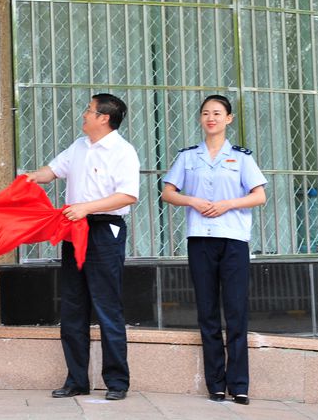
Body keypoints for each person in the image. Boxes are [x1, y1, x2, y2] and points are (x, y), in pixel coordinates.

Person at [26, 94, 140, 401]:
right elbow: (52, 171)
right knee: (73, 307)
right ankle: (76, 380)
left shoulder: (123, 152)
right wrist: (30, 178)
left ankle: (116, 381)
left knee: (107, 307)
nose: (84, 115)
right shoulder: (78, 146)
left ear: (104, 118)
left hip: (105, 230)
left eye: (89, 111)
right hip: (74, 229)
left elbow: (128, 195)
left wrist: (87, 208)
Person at [161, 95, 266, 406]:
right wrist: (192, 200)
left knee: (236, 311)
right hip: (200, 238)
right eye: (206, 113)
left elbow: (258, 196)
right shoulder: (188, 156)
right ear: (201, 119)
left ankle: (239, 384)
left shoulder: (242, 157)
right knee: (207, 312)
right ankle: (216, 384)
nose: (211, 118)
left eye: (218, 113)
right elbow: (168, 192)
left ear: (228, 119)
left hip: (233, 239)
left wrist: (227, 204)